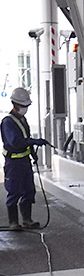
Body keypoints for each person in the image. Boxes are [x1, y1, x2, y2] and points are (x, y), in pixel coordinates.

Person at [1, 87, 48, 230]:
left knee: (29, 190)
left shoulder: (22, 120)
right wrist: (33, 141)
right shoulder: (8, 122)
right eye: (23, 106)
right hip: (13, 163)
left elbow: (25, 139)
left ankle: (27, 220)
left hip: (25, 162)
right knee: (14, 191)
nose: (25, 109)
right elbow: (16, 142)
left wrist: (33, 154)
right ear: (15, 105)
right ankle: (13, 222)